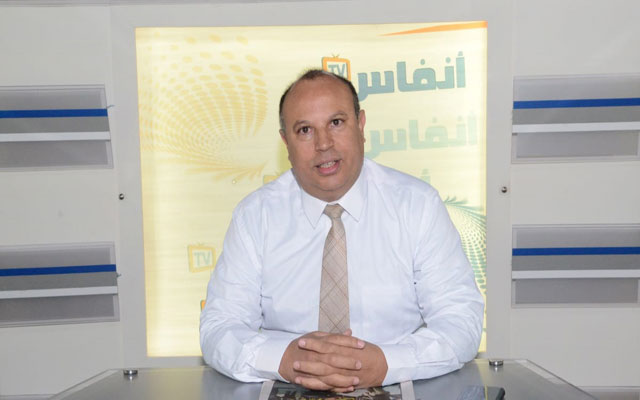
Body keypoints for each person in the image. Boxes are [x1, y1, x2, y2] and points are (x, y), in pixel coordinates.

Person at [200, 69, 484, 392]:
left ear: (361, 125)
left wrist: (387, 363)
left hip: (398, 386)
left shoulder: (418, 205)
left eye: (336, 123)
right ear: (285, 142)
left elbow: (461, 319)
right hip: (289, 388)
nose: (324, 144)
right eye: (305, 130)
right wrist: (285, 360)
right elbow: (219, 327)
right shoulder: (255, 216)